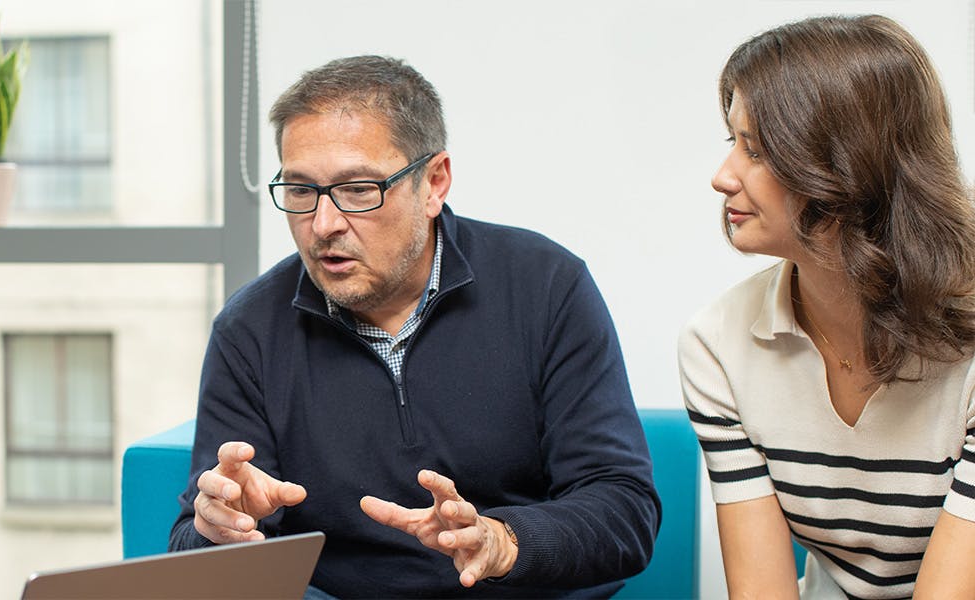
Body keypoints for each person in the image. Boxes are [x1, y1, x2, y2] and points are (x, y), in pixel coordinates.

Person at [169, 55, 660, 598]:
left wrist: (503, 542)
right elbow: (197, 546)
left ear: (434, 183)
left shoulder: (547, 286)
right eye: (301, 190)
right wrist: (219, 531)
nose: (324, 225)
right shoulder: (249, 331)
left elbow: (624, 510)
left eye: (358, 189)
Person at [680, 14, 975, 599]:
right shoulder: (718, 346)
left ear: (848, 166)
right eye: (731, 142)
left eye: (757, 150)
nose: (722, 177)